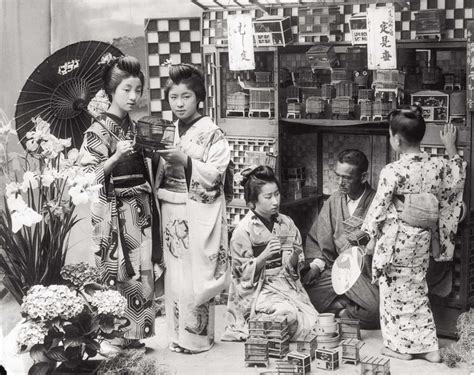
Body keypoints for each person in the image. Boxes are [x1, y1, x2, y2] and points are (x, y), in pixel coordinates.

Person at [361, 109, 466, 362]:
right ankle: (430, 347)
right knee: (418, 288)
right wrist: (450, 147)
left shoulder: (392, 170)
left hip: (396, 239)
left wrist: (369, 236)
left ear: (396, 140)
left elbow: (379, 207)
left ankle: (400, 348)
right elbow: (457, 178)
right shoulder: (438, 165)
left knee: (392, 292)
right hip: (422, 238)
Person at [79, 56, 158, 349]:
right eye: (127, 89)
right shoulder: (97, 131)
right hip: (114, 213)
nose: (133, 96)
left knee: (141, 271)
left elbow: (148, 169)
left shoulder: (135, 127)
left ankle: (136, 335)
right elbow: (86, 177)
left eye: (138, 89)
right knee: (116, 272)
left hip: (139, 209)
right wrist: (114, 158)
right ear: (112, 90)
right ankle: (113, 335)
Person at [155, 63, 231, 354]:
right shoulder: (169, 130)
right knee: (176, 276)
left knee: (194, 273)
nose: (179, 103)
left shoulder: (212, 133)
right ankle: (177, 336)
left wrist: (186, 162)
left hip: (197, 211)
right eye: (174, 97)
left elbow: (216, 175)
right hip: (171, 208)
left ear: (199, 98)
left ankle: (197, 339)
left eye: (185, 97)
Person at [222, 166, 318, 342]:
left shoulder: (287, 223)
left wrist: (295, 258)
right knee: (287, 316)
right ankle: (257, 321)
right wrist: (263, 257)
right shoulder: (243, 231)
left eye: (277, 194)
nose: (275, 201)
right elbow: (238, 275)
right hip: (258, 289)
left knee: (313, 323)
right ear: (252, 202)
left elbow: (296, 268)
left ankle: (269, 326)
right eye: (268, 197)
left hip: (284, 283)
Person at [302, 149, 379, 329]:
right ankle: (346, 303)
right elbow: (319, 240)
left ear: (363, 177)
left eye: (347, 178)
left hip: (364, 274)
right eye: (338, 176)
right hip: (336, 270)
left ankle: (342, 310)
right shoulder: (334, 201)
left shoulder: (377, 203)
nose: (340, 182)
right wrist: (316, 266)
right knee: (301, 294)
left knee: (376, 311)